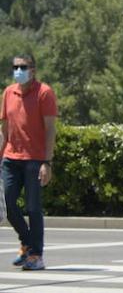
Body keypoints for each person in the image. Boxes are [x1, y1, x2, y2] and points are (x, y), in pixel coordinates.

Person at [0, 53, 57, 272]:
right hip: (11, 159)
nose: (18, 71)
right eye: (15, 67)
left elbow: (50, 129)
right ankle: (26, 242)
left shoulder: (45, 93)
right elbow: (4, 131)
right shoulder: (8, 93)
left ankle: (36, 255)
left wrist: (47, 162)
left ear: (33, 69)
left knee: (33, 208)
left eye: (23, 67)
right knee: (9, 206)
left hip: (35, 159)